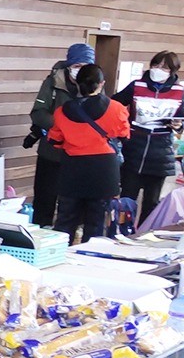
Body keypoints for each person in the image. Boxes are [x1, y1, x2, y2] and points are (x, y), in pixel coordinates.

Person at [48, 64, 129, 243]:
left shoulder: (62, 111)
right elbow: (124, 134)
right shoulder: (116, 108)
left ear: (78, 84)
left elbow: (55, 140)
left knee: (65, 222)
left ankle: (59, 259)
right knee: (97, 224)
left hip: (72, 170)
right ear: (101, 84)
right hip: (103, 171)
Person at [113, 50, 184, 224]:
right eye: (156, 65)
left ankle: (145, 234)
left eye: (164, 68)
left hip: (160, 151)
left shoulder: (180, 92)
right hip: (134, 146)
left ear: (172, 71)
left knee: (151, 202)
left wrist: (178, 125)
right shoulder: (137, 85)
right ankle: (122, 232)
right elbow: (114, 104)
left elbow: (181, 121)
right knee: (127, 198)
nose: (158, 70)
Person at [28, 43, 92, 227]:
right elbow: (38, 112)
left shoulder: (94, 83)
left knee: (73, 204)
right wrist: (63, 126)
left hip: (79, 155)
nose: (80, 71)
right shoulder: (52, 82)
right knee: (44, 200)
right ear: (69, 65)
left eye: (85, 66)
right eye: (77, 66)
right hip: (51, 152)